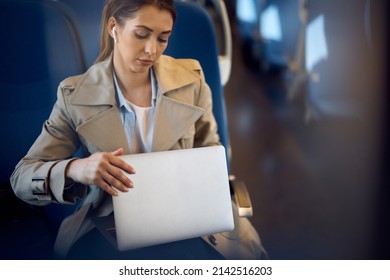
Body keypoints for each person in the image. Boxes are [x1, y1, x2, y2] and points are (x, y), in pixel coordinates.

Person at [11, 0, 266, 259]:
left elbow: (210, 154)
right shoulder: (75, 95)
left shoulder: (192, 81)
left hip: (187, 219)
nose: (151, 50)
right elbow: (22, 177)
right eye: (141, 35)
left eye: (163, 38)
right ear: (114, 27)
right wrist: (76, 168)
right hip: (109, 224)